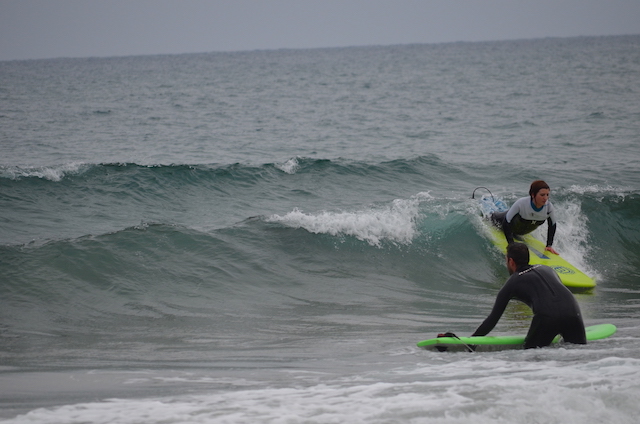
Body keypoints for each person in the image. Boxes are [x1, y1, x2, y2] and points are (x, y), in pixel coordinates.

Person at [472, 242, 586, 349]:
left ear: (511, 261)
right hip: (573, 311)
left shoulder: (513, 282)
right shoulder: (547, 269)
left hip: (547, 317)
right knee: (580, 351)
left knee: (532, 356)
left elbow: (492, 320)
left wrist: (471, 342)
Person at [491, 180, 558, 255]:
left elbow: (552, 225)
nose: (545, 198)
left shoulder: (549, 208)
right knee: (491, 216)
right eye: (542, 195)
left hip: (518, 231)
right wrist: (511, 244)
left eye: (547, 195)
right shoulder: (522, 203)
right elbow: (506, 221)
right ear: (533, 195)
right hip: (499, 220)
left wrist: (549, 245)